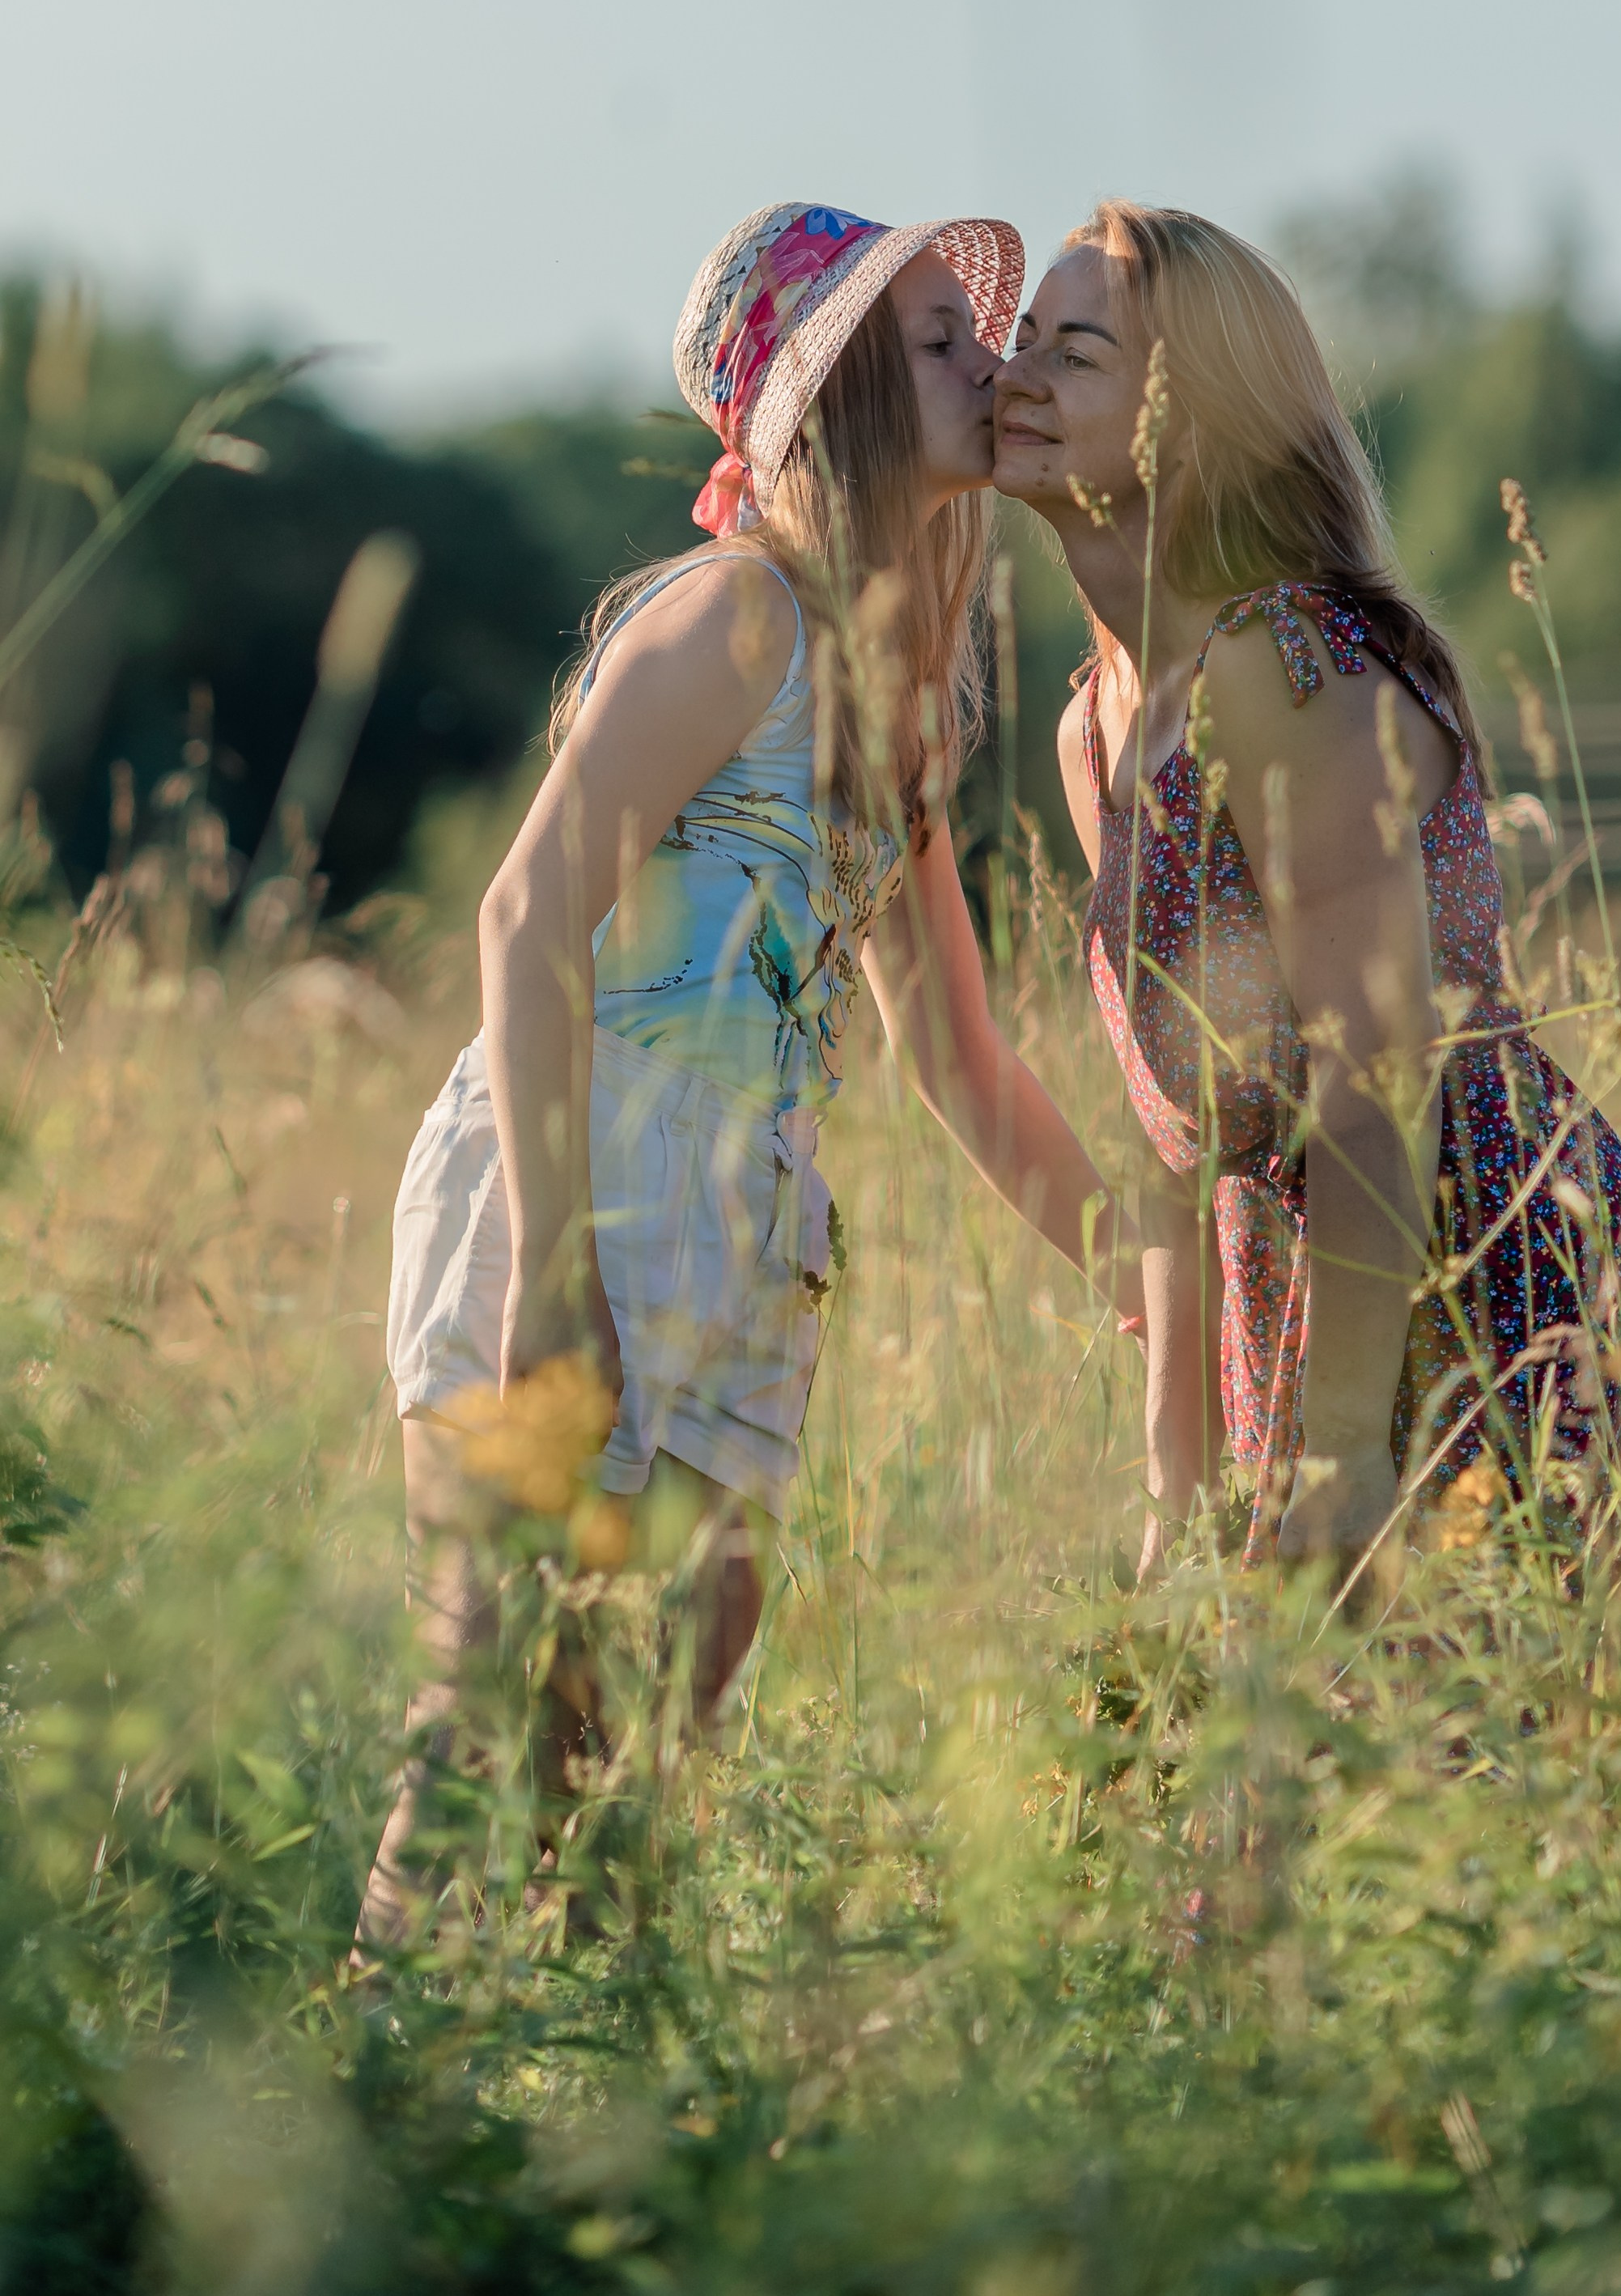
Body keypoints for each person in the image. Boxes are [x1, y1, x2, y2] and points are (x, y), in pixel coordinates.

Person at [354, 201, 1140, 1963]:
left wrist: (1149, 1268)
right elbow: (524, 916)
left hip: (741, 1238)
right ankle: (370, 2114)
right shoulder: (734, 618)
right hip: (576, 1180)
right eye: (937, 340)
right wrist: (558, 1275)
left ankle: (576, 2186)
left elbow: (954, 1051)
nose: (989, 364)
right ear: (837, 398)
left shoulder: (891, 716)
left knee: (643, 1773)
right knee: (491, 1723)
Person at [991, 200, 1621, 1592]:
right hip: (1294, 1286)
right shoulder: (1096, 730)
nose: (1014, 372)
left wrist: (1338, 1451)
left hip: (1495, 1261)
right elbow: (1182, 1143)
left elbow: (1375, 1072)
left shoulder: (1281, 666)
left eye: (1071, 353)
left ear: (1186, 426)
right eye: (1018, 339)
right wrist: (1172, 1481)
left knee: (1464, 1778)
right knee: (1286, 1786)